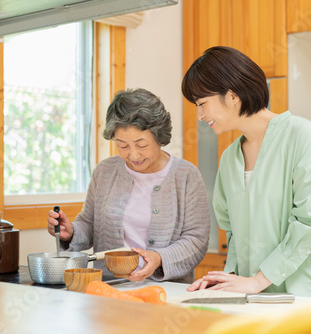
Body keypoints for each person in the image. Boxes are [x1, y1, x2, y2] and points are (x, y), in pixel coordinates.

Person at [181, 46, 311, 300]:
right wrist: (226, 280)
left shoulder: (304, 137)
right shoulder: (230, 158)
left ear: (232, 96)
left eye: (202, 104)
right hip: (258, 299)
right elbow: (233, 234)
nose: (199, 115)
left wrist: (258, 281)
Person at [47, 88, 210, 283]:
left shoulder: (186, 176)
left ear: (159, 137)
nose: (133, 155)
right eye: (122, 145)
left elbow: (196, 240)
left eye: (141, 145)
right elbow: (89, 224)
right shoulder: (105, 171)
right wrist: (71, 232)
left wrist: (159, 258)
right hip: (108, 287)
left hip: (167, 291)